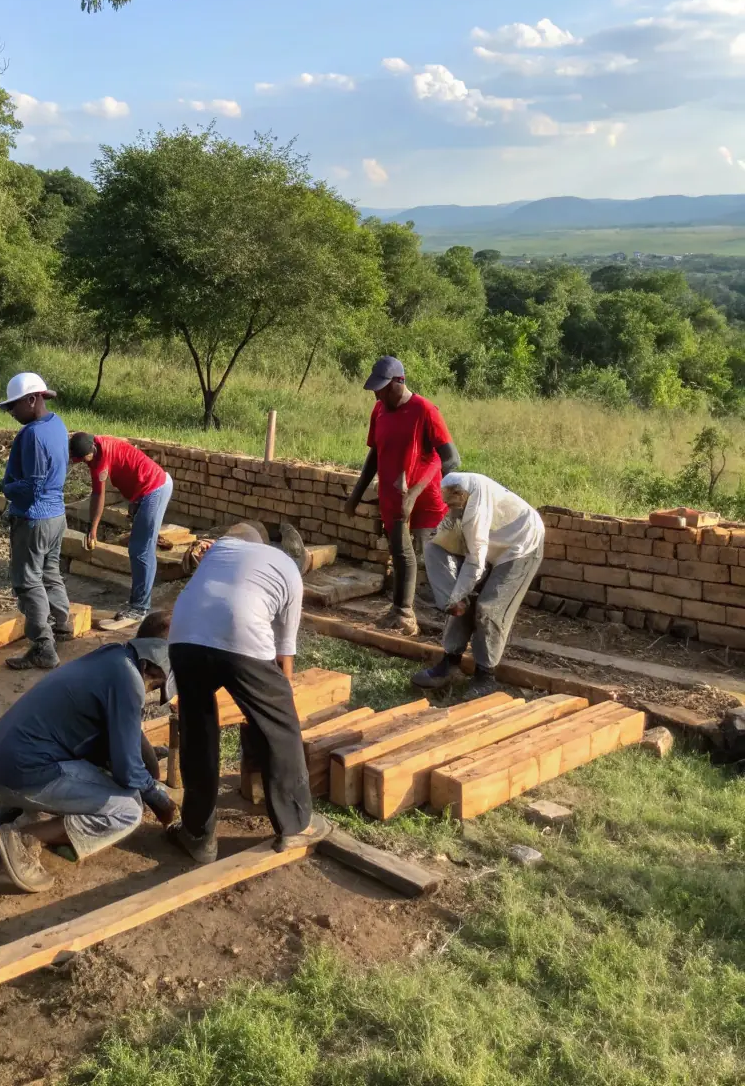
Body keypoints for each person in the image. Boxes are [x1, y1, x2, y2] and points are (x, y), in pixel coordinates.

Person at [165, 522, 330, 864]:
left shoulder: (221, 551)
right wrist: (275, 710)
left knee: (198, 729)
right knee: (281, 729)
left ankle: (197, 835)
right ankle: (295, 826)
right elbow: (284, 653)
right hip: (239, 629)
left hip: (182, 633)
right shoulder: (287, 569)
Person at [0, 622, 178, 893]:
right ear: (151, 669)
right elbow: (128, 772)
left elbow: (118, 741)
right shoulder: (129, 681)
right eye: (156, 685)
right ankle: (23, 839)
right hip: (22, 774)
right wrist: (159, 799)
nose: (152, 691)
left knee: (92, 769)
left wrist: (141, 762)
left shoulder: (111, 658)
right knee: (128, 809)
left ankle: (6, 821)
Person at [345, 356, 460, 634]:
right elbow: (374, 454)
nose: (378, 394)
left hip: (426, 497)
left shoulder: (425, 410)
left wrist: (416, 491)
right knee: (399, 553)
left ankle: (457, 625)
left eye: (383, 388)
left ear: (400, 382)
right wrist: (357, 493)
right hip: (394, 494)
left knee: (438, 561)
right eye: (375, 389)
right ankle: (403, 613)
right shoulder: (380, 411)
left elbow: (451, 459)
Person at [413, 472, 545, 698]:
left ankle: (485, 676)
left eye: (452, 502)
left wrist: (457, 594)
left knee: (489, 607)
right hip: (492, 543)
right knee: (462, 600)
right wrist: (453, 596)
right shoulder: (462, 498)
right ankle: (450, 664)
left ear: (460, 495)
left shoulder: (474, 511)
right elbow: (440, 545)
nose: (449, 507)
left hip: (521, 546)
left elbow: (475, 559)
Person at [0, 371, 73, 671]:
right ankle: (62, 625)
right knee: (50, 572)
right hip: (56, 516)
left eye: (13, 406)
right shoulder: (56, 424)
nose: (11, 413)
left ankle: (43, 647)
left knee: (28, 582)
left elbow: (32, 487)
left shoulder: (32, 435)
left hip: (34, 518)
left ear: (32, 399)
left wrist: (5, 488)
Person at [69, 432, 174, 632]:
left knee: (141, 550)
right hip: (147, 489)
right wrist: (134, 501)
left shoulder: (100, 460)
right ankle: (138, 603)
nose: (83, 463)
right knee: (140, 548)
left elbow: (98, 495)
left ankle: (140, 608)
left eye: (84, 459)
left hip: (155, 488)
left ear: (92, 450)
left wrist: (92, 529)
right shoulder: (96, 444)